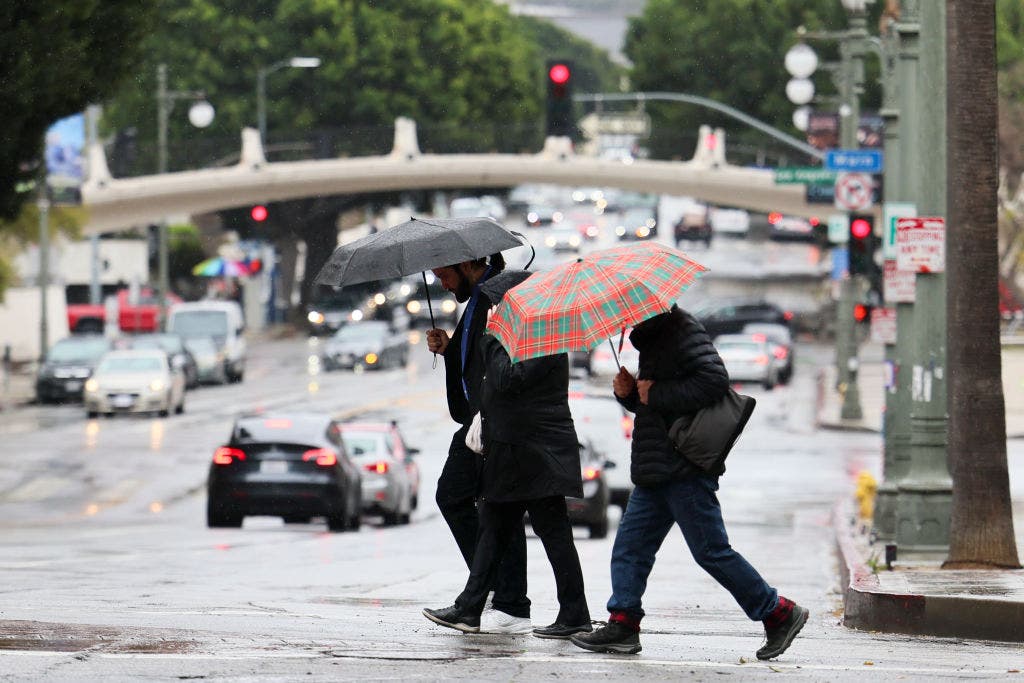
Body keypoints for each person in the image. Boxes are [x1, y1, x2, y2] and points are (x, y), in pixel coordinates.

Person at [570, 305, 808, 659]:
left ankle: (778, 613)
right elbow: (655, 406)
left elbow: (713, 381)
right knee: (630, 548)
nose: (625, 313)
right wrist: (629, 394)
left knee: (711, 551)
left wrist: (655, 393)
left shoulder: (680, 329)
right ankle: (623, 623)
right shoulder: (653, 336)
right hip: (656, 469)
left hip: (684, 468)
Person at [423, 328, 591, 638]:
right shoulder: (526, 339)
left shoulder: (543, 338)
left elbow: (505, 379)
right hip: (517, 453)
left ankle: (574, 612)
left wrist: (487, 341)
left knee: (552, 534)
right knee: (495, 527)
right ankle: (470, 608)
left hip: (537, 454)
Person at [425, 253, 532, 634]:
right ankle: (494, 591)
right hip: (475, 419)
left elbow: (503, 358)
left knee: (499, 509)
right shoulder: (476, 301)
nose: (443, 284)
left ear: (466, 264)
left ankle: (507, 599)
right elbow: (475, 359)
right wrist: (450, 348)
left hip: (494, 419)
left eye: (445, 275)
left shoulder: (498, 296)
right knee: (457, 497)